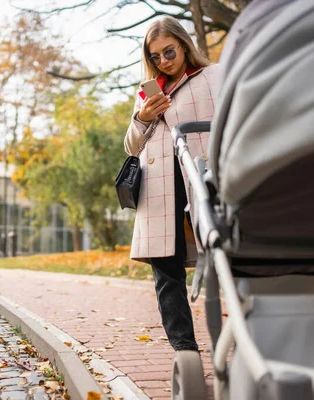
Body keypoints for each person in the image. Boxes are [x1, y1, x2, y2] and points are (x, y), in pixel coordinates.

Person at [124, 16, 220, 352]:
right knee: (167, 276)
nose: (164, 61)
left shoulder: (214, 76)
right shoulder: (148, 94)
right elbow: (131, 147)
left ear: (184, 45)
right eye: (155, 57)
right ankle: (185, 353)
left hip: (205, 182)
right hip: (161, 190)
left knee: (229, 260)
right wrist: (144, 117)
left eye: (169, 52)